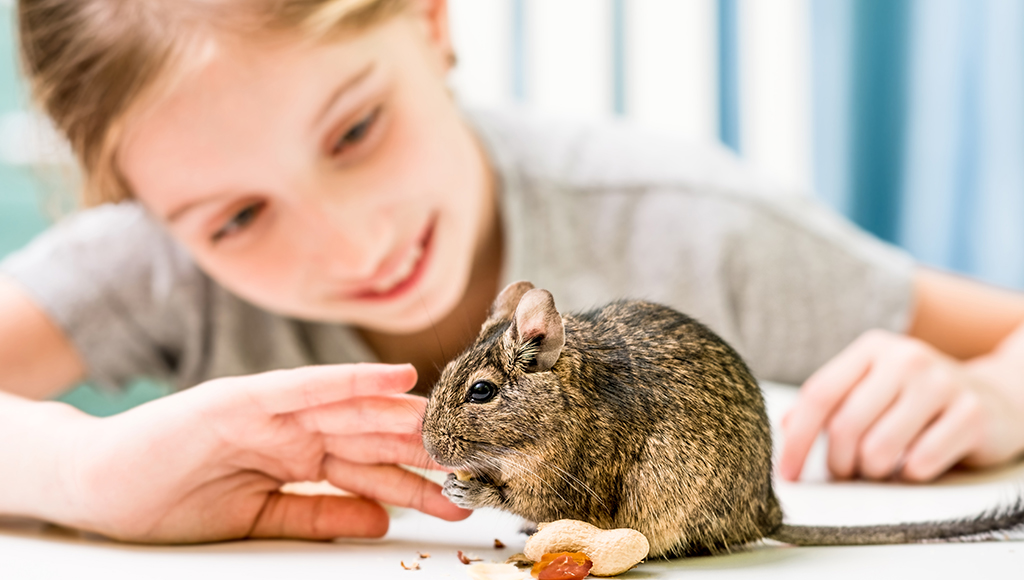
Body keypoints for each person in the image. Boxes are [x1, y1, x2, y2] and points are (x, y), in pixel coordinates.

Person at [2, 0, 1023, 545]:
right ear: (141, 210)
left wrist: (988, 389)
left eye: (356, 128)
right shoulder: (146, 266)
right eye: (235, 216)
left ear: (432, 21)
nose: (355, 247)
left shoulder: (685, 223)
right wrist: (78, 470)